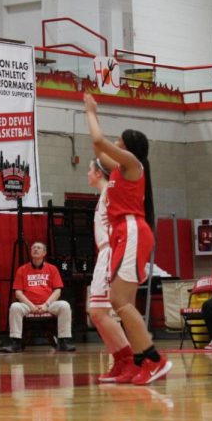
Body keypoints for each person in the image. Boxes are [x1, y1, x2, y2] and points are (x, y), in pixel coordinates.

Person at [84, 92, 172, 385]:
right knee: (122, 303)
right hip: (123, 233)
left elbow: (99, 142)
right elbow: (99, 151)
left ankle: (155, 359)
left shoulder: (134, 163)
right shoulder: (120, 171)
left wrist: (92, 112)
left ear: (129, 147)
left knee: (119, 301)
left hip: (132, 231)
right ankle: (140, 360)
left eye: (120, 141)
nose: (116, 144)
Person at [86, 160, 136, 383]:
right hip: (104, 254)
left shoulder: (111, 192)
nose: (88, 173)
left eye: (90, 169)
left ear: (98, 172)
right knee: (96, 313)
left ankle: (130, 360)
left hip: (112, 253)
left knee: (100, 312)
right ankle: (120, 360)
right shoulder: (103, 194)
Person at [6, 241, 75, 353]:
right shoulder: (22, 270)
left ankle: (63, 341)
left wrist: (46, 305)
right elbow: (18, 293)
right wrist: (31, 306)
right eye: (33, 248)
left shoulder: (52, 269)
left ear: (44, 253)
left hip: (48, 305)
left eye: (38, 248)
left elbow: (57, 291)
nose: (35, 249)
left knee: (65, 305)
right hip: (28, 305)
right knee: (15, 307)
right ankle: (16, 343)